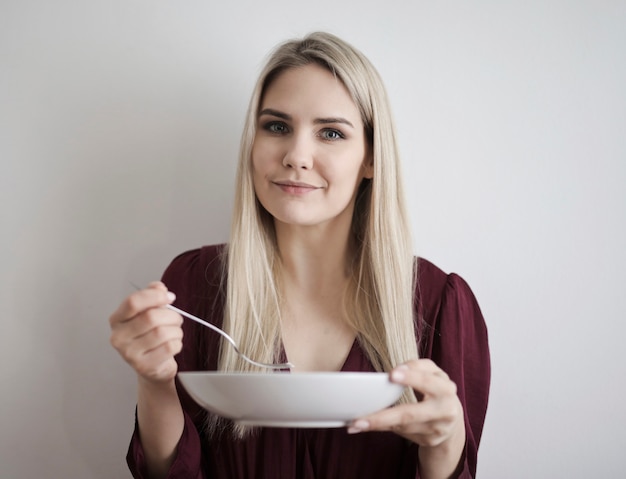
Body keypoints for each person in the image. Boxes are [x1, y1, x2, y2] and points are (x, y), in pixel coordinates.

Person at [109, 31, 490, 479]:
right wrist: (154, 382)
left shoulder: (438, 301)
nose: (296, 155)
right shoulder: (193, 284)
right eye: (277, 126)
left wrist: (445, 445)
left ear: (371, 158)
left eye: (331, 133)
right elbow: (164, 474)